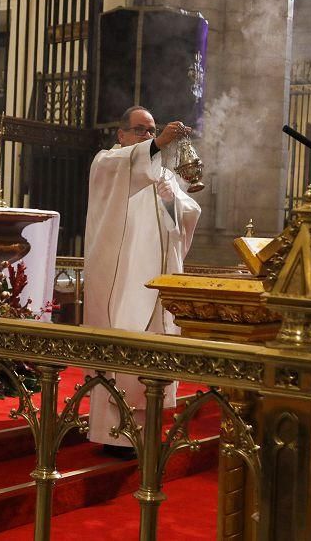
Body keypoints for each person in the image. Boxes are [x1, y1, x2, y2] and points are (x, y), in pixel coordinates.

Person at [83, 105, 201, 457]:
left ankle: (142, 433)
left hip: (156, 280)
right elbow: (131, 168)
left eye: (152, 131)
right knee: (123, 350)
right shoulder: (107, 162)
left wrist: (175, 202)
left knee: (151, 354)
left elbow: (179, 222)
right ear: (121, 134)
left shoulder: (159, 173)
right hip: (123, 280)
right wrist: (158, 145)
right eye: (141, 130)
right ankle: (112, 436)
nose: (149, 137)